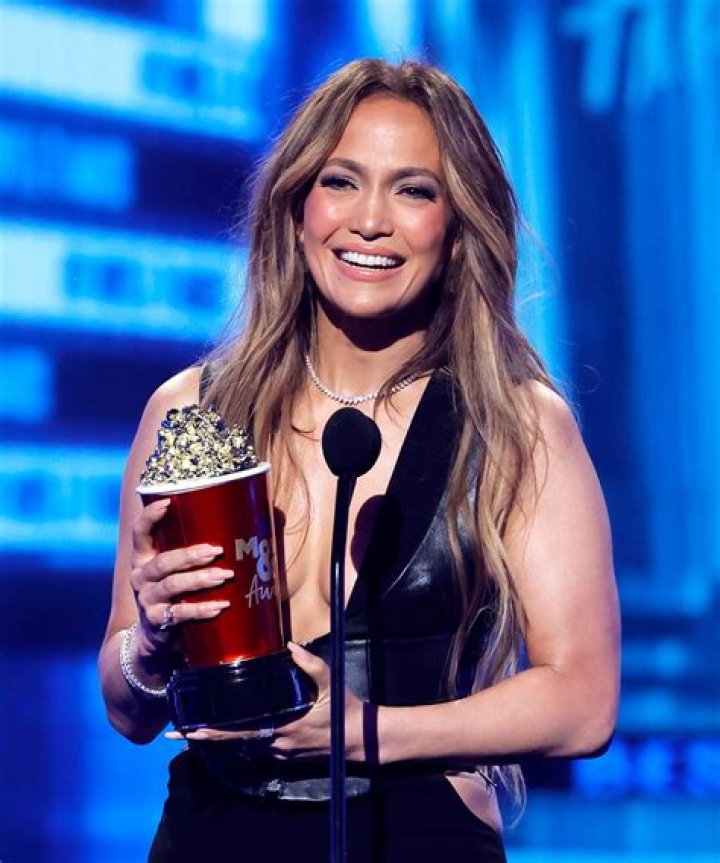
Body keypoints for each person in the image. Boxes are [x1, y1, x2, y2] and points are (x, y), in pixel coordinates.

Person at [98, 58, 619, 862]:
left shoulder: (514, 424)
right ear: (297, 206)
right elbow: (127, 709)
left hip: (416, 833)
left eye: (413, 190)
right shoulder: (190, 413)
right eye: (341, 181)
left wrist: (365, 732)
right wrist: (153, 643)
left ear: (457, 225)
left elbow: (583, 702)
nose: (369, 220)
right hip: (211, 833)